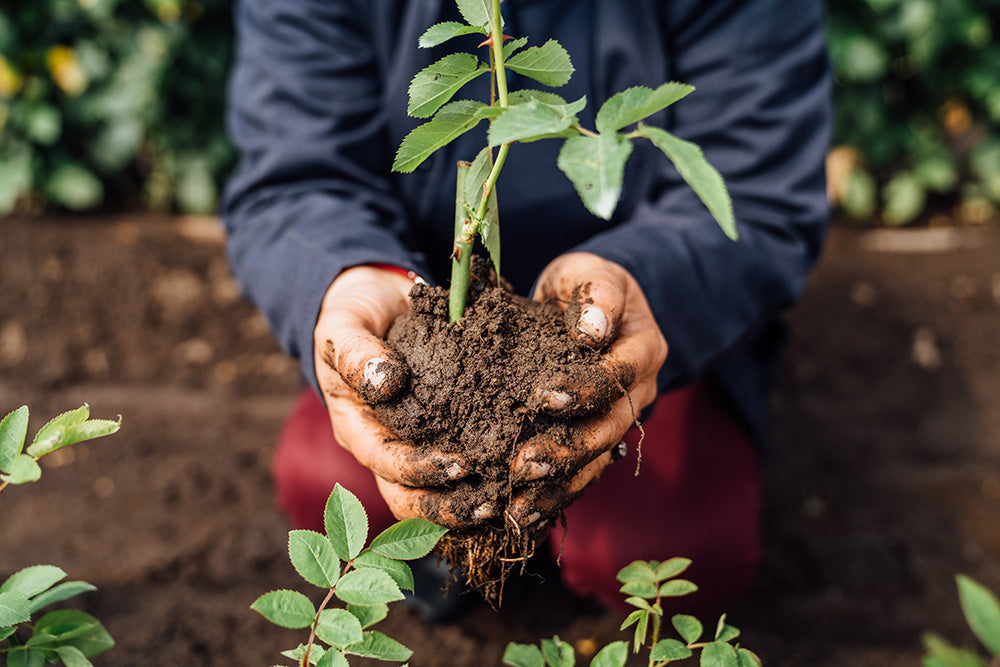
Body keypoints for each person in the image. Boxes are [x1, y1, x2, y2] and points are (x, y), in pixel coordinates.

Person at [221, 0, 832, 614]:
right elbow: (294, 181)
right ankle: (468, 571)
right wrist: (348, 277)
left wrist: (646, 281)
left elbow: (758, 196)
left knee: (671, 544)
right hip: (423, 307)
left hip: (634, 320)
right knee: (328, 479)